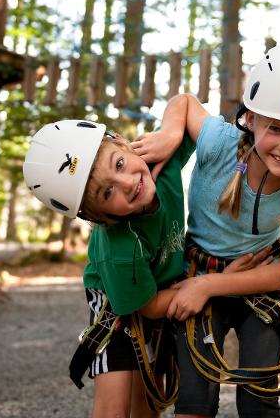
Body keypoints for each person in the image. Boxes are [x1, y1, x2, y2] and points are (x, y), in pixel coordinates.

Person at [132, 43, 280, 418]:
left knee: (259, 399)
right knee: (194, 400)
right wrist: (169, 133)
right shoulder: (220, 145)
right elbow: (184, 102)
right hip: (200, 268)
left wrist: (208, 286)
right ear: (251, 119)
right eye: (275, 128)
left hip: (259, 282)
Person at [22, 119, 267, 418]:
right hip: (118, 300)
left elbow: (186, 106)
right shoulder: (119, 249)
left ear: (125, 143)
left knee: (151, 400)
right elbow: (148, 307)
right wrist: (216, 282)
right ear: (98, 217)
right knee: (113, 406)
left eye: (120, 163)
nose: (127, 183)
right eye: (107, 193)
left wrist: (170, 133)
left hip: (163, 284)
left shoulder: (158, 167)